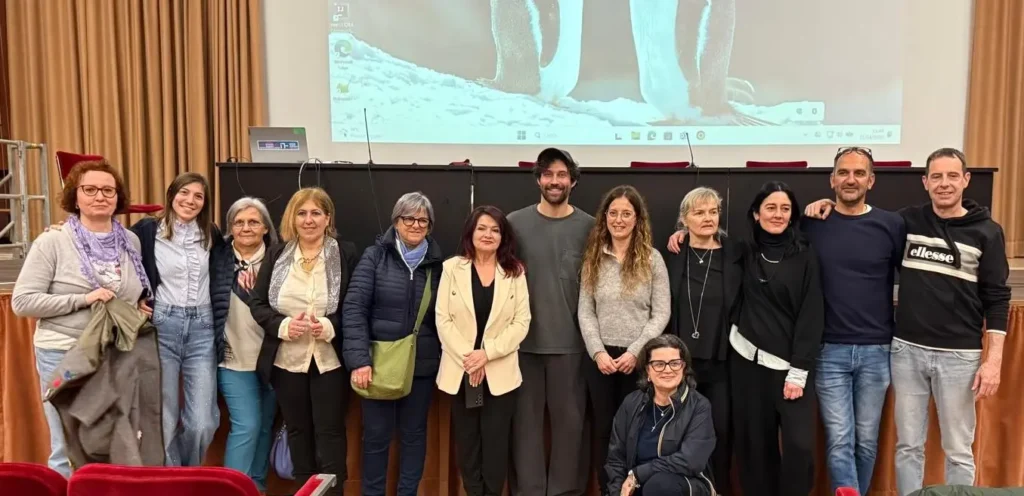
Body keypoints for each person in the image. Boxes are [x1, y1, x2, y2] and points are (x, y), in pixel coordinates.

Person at [807, 148, 1011, 496]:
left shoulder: (985, 232)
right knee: (904, 446)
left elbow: (997, 299)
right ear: (925, 182)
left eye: (951, 176)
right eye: (936, 176)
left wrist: (993, 361)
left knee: (958, 449)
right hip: (905, 351)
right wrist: (821, 204)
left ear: (965, 180)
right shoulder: (907, 222)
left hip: (958, 356)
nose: (944, 184)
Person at [12, 159, 151, 477]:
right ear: (75, 196)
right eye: (90, 189)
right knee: (68, 446)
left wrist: (137, 306)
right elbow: (22, 302)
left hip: (116, 353)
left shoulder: (130, 242)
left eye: (108, 190)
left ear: (118, 197)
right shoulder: (53, 241)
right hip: (64, 351)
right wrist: (83, 299)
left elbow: (126, 292)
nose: (100, 196)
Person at [792, 147, 904, 496]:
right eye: (843, 172)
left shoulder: (892, 225)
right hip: (829, 351)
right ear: (832, 179)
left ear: (871, 180)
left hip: (877, 350)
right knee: (840, 439)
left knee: (866, 441)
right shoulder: (812, 224)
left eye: (858, 173)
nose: (850, 179)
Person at [249, 187, 357, 496]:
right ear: (292, 219)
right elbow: (257, 304)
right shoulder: (277, 254)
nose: (308, 220)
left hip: (330, 361)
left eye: (315, 213)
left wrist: (328, 326)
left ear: (327, 219)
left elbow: (355, 306)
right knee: (298, 432)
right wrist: (282, 325)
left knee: (330, 434)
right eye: (301, 213)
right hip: (286, 361)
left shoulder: (345, 253)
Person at [342, 192, 444, 496]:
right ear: (396, 222)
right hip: (377, 364)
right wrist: (359, 359)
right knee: (375, 437)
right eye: (408, 218)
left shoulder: (438, 265)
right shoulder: (375, 256)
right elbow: (354, 308)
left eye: (422, 220)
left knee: (414, 436)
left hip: (421, 366)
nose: (415, 224)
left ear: (430, 225)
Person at [506, 147, 595, 496]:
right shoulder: (514, 223)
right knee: (525, 430)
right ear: (538, 179)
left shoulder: (590, 226)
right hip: (521, 345)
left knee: (570, 430)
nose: (554, 181)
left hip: (573, 346)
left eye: (561, 175)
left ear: (572, 180)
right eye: (548, 174)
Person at [130, 172, 234, 466]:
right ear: (171, 195)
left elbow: (228, 269)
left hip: (202, 329)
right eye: (184, 193)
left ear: (205, 202)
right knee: (163, 418)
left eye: (198, 196)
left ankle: (186, 473)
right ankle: (171, 481)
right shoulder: (147, 231)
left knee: (203, 421)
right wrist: (137, 296)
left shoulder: (211, 234)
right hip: (163, 324)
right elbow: (118, 255)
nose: (190, 200)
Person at [730, 181, 823, 496]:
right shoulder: (742, 251)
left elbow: (812, 315)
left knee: (800, 447)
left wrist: (798, 371)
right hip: (746, 364)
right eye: (771, 207)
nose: (778, 214)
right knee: (755, 449)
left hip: (791, 369)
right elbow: (705, 242)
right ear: (756, 213)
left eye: (785, 208)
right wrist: (682, 232)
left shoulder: (806, 255)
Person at [578, 184, 670, 494]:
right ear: (604, 217)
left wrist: (635, 352)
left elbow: (661, 314)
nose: (619, 219)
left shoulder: (652, 259)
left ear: (637, 218)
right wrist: (597, 352)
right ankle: (609, 490)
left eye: (626, 214)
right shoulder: (593, 258)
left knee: (639, 431)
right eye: (613, 213)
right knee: (604, 431)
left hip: (640, 362)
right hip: (601, 361)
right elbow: (585, 312)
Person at [435, 205, 532, 496]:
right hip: (461, 370)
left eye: (495, 230)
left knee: (495, 445)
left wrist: (486, 355)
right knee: (468, 445)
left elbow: (521, 322)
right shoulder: (452, 268)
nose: (488, 235)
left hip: (499, 373)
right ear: (471, 232)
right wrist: (470, 359)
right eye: (482, 228)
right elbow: (443, 318)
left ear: (503, 236)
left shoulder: (514, 272)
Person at [663, 186, 744, 494]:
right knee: (678, 435)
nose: (708, 218)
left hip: (723, 361)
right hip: (680, 366)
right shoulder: (672, 253)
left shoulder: (735, 254)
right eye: (699, 212)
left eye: (713, 211)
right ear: (684, 220)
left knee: (720, 433)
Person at [218, 197, 280, 491]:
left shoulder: (280, 260)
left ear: (266, 228)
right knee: (248, 425)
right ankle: (233, 490)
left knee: (265, 427)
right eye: (239, 222)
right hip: (232, 359)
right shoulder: (215, 258)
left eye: (253, 222)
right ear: (230, 227)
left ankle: (256, 488)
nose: (246, 227)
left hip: (273, 360)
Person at [605, 334, 716, 496]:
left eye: (675, 363)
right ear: (647, 371)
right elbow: (616, 459)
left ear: (684, 369)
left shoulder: (699, 405)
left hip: (683, 484)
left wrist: (638, 474)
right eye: (659, 364)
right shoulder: (631, 402)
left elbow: (691, 460)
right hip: (637, 485)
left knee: (659, 486)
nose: (668, 369)